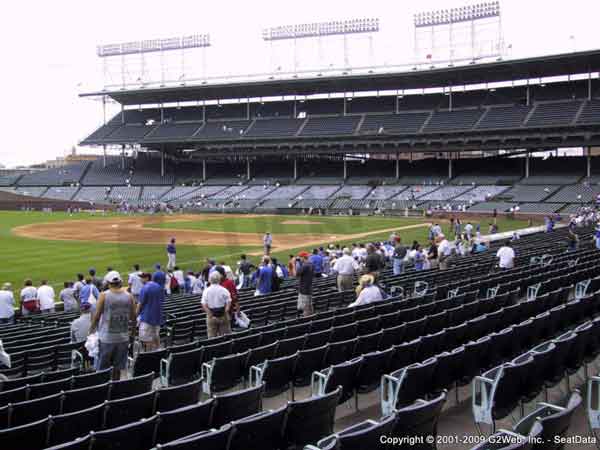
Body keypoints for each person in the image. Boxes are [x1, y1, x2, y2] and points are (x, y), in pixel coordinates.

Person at [90, 271, 136, 380]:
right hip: (123, 338)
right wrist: (132, 334)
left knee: (103, 369)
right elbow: (134, 318)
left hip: (107, 338)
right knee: (117, 368)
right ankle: (115, 388)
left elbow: (96, 316)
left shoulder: (104, 295)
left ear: (108, 283)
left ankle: (105, 390)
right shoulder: (129, 296)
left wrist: (91, 331)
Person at [137, 272, 165, 351]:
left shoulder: (145, 288)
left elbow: (140, 304)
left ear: (147, 278)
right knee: (156, 335)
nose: (141, 279)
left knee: (147, 339)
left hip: (147, 318)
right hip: (157, 317)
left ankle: (149, 356)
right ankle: (158, 351)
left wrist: (135, 315)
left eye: (142, 277)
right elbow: (162, 300)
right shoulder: (158, 286)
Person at [201, 271, 232, 338]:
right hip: (222, 314)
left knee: (212, 337)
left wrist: (210, 314)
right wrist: (225, 312)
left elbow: (204, 304)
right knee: (225, 336)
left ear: (210, 279)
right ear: (219, 279)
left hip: (212, 315)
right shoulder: (224, 290)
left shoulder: (206, 291)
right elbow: (228, 303)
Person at [296, 251, 314, 317]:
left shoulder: (305, 265)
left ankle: (307, 320)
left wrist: (298, 263)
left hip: (304, 289)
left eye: (300, 257)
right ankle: (311, 317)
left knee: (305, 307)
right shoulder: (311, 264)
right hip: (309, 287)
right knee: (309, 305)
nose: (300, 259)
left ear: (303, 257)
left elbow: (297, 273)